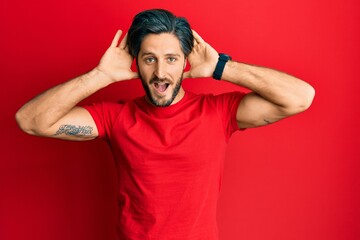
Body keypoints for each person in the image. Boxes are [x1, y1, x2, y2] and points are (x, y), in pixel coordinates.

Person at [15, 9, 315, 240]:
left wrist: (222, 67)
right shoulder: (114, 117)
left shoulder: (218, 112)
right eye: (149, 59)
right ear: (136, 63)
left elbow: (300, 97)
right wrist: (101, 75)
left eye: (171, 59)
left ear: (186, 62)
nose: (160, 72)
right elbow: (30, 121)